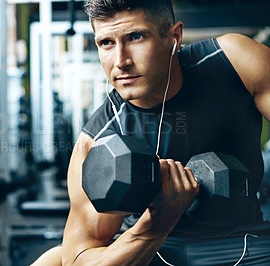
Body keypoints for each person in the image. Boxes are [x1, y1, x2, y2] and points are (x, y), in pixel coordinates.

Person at [32, 0, 270, 265]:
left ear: (174, 37)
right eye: (106, 43)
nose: (121, 61)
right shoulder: (96, 142)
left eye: (135, 37)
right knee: (51, 260)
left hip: (245, 244)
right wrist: (155, 226)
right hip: (155, 250)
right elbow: (79, 258)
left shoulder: (232, 61)